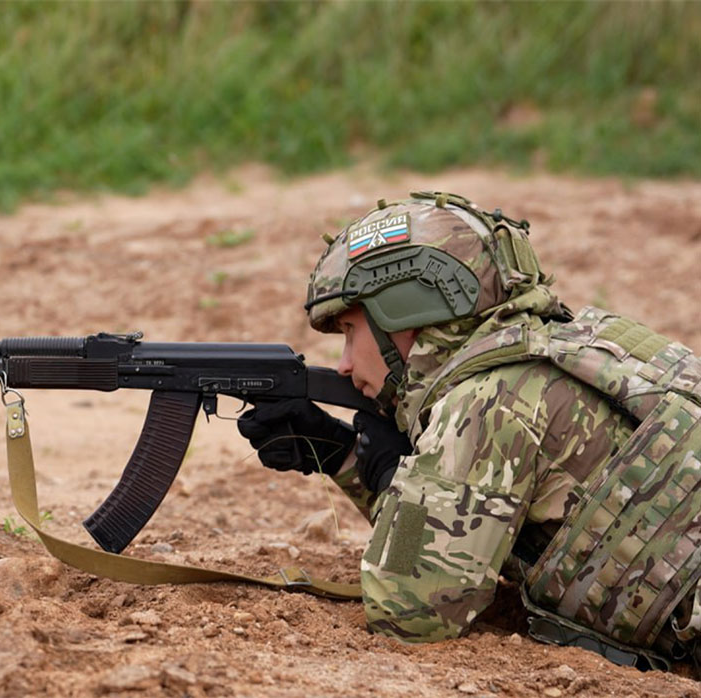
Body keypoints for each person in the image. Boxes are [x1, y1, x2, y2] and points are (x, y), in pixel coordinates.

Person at [237, 191, 701, 670]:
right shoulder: (553, 355)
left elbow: (411, 609)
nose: (344, 364)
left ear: (406, 312)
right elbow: (456, 539)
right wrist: (347, 457)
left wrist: (394, 479)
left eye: (352, 332)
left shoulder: (484, 403)